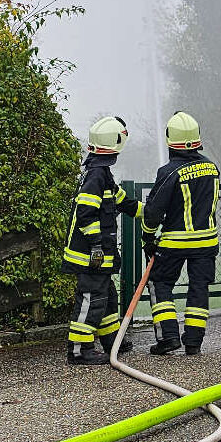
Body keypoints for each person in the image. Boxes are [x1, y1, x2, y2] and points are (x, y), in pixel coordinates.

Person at [62, 116, 143, 365]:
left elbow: (122, 201)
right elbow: (86, 213)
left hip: (96, 255)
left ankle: (111, 342)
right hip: (90, 256)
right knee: (90, 298)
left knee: (106, 296)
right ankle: (79, 349)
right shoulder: (96, 175)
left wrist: (149, 212)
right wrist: (96, 244)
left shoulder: (101, 173)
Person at [141, 111, 220, 356]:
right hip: (207, 241)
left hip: (175, 241)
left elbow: (153, 211)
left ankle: (168, 337)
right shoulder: (212, 167)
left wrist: (148, 237)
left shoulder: (168, 172)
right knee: (199, 287)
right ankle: (194, 342)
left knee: (159, 282)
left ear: (169, 140)